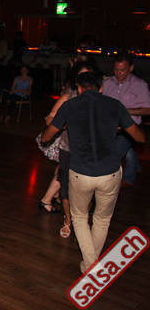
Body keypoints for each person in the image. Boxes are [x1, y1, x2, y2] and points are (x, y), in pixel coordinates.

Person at [42, 71, 145, 272]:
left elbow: (47, 136)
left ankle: (90, 266)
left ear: (80, 89)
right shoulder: (115, 105)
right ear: (101, 87)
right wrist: (118, 127)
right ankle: (90, 265)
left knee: (79, 218)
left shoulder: (70, 106)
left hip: (81, 173)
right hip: (110, 173)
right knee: (102, 219)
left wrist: (62, 126)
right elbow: (140, 138)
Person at [40, 61, 94, 237]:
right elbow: (50, 118)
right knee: (65, 185)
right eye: (81, 76)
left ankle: (81, 218)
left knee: (85, 187)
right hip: (68, 148)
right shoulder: (69, 97)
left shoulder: (99, 99)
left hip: (90, 150)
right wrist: (63, 124)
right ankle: (68, 221)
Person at [101, 53, 150, 186]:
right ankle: (135, 168)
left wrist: (126, 111)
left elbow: (147, 109)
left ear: (131, 68)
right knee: (128, 151)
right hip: (110, 127)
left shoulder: (139, 85)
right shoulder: (108, 83)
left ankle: (127, 179)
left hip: (129, 128)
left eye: (122, 70)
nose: (118, 73)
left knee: (114, 154)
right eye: (116, 69)